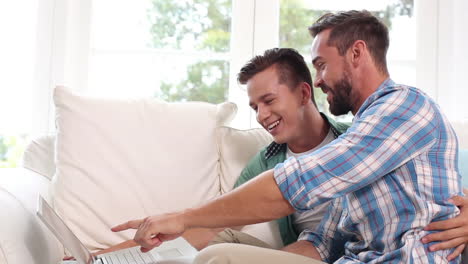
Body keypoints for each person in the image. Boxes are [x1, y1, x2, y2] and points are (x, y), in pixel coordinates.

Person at [112, 10, 464, 263]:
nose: (319, 79)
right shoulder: (358, 138)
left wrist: (184, 216)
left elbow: (299, 182)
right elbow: (324, 242)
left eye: (322, 65)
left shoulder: (402, 107)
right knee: (221, 253)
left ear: (356, 53)